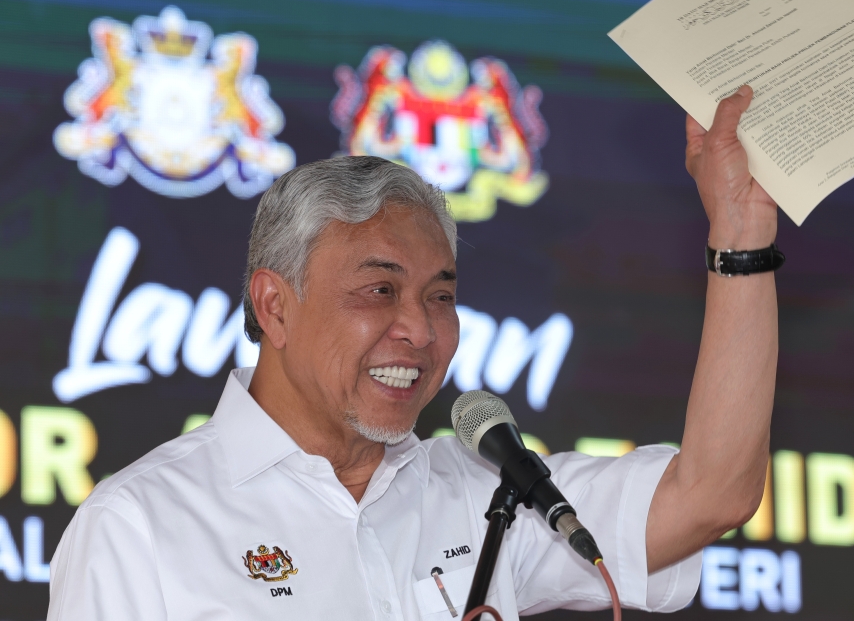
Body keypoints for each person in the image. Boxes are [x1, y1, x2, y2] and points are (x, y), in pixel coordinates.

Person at [47, 85, 777, 620]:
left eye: (440, 297)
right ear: (274, 306)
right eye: (378, 291)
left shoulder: (486, 493)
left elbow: (712, 494)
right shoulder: (140, 524)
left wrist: (740, 236)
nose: (421, 332)